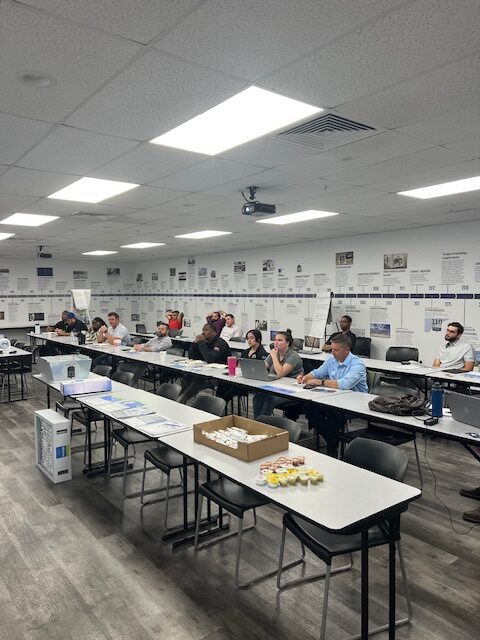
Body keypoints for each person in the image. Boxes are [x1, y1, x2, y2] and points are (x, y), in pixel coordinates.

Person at [297, 334, 368, 456]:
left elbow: (344, 384)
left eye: (336, 350)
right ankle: (332, 442)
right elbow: (318, 372)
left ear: (347, 350)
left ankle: (331, 449)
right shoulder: (331, 360)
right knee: (309, 407)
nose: (333, 353)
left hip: (355, 403)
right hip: (335, 398)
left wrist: (322, 382)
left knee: (333, 415)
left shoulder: (357, 364)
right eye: (332, 349)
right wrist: (305, 377)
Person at [252, 330, 303, 418]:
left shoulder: (293, 356)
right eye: (275, 340)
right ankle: (257, 422)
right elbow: (263, 367)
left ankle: (263, 424)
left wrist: (274, 356)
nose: (276, 342)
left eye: (279, 340)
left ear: (287, 343)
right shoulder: (275, 352)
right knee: (257, 397)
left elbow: (280, 373)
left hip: (291, 390)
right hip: (275, 386)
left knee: (269, 400)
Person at [178, 324, 231, 404]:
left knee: (199, 380)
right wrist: (195, 343)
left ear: (214, 332)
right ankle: (180, 399)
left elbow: (210, 359)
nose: (203, 333)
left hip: (219, 375)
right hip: (206, 370)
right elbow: (192, 357)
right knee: (187, 377)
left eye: (206, 330)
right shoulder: (205, 342)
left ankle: (180, 400)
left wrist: (202, 342)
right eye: (203, 330)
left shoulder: (220, 343)